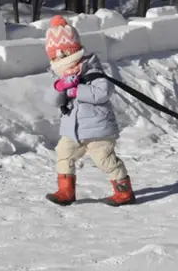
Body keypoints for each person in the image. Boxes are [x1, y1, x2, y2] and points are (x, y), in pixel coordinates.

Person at [43, 15, 136, 206]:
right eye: (55, 56)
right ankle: (65, 191)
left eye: (63, 54)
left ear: (73, 51)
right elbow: (51, 101)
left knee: (105, 160)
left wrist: (78, 90)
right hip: (73, 130)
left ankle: (124, 192)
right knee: (63, 154)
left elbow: (102, 92)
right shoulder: (61, 76)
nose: (60, 59)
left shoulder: (92, 71)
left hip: (98, 130)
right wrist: (59, 88)